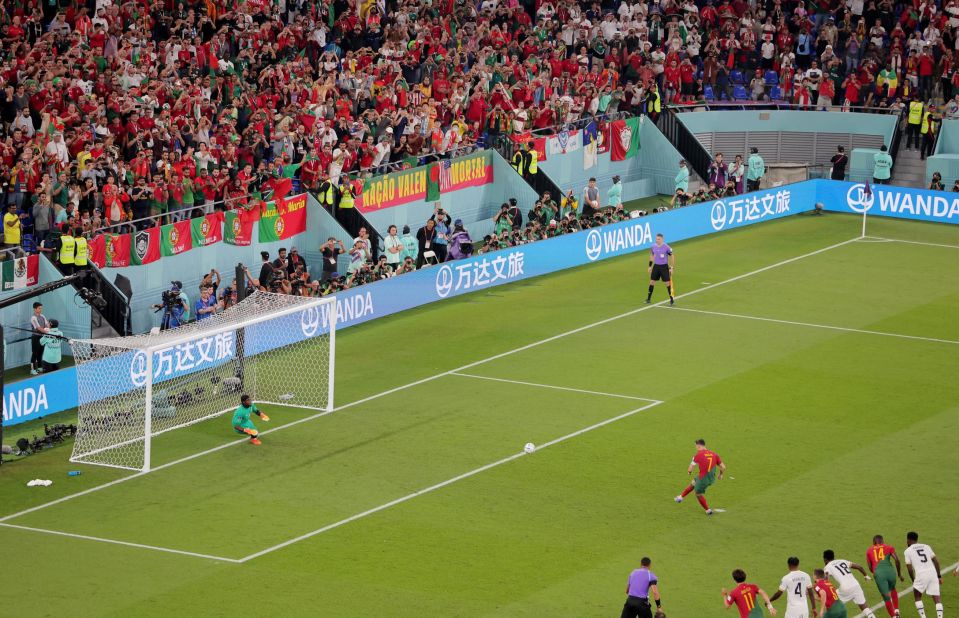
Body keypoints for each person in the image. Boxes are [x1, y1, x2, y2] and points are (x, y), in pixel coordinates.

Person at [675, 438, 724, 515]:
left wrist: (689, 472)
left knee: (698, 494)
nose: (696, 448)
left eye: (695, 446)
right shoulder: (715, 454)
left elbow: (690, 468)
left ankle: (708, 510)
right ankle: (680, 497)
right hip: (711, 477)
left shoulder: (698, 455)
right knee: (693, 483)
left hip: (703, 479)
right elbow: (723, 467)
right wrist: (721, 474)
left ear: (698, 446)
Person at [822, 550, 878, 618]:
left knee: (831, 604)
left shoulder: (827, 567)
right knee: (864, 607)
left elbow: (826, 578)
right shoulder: (842, 561)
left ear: (825, 559)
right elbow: (859, 567)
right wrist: (865, 575)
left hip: (845, 588)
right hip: (856, 585)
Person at [904, 531, 944, 618]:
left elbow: (909, 568)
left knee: (917, 596)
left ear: (908, 540)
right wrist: (939, 576)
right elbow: (936, 561)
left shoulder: (908, 551)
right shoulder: (926, 546)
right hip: (932, 573)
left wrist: (913, 580)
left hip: (921, 574)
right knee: (937, 597)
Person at [865, 535, 903, 618]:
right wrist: (899, 574)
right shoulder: (889, 547)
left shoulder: (869, 550)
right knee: (892, 588)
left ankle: (893, 616)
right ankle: (897, 610)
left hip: (879, 574)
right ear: (882, 541)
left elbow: (870, 567)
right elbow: (897, 560)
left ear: (874, 542)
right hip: (890, 572)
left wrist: (875, 572)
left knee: (886, 596)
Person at [645, 233, 675, 306]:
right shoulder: (653, 246)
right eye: (656, 239)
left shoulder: (666, 247)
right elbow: (652, 255)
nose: (657, 240)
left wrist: (671, 267)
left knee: (667, 283)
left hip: (664, 267)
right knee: (651, 282)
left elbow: (672, 256)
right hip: (656, 266)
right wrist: (650, 266)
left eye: (658, 239)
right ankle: (648, 299)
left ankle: (671, 299)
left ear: (662, 239)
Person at [29, 302, 49, 376]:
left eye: (41, 308)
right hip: (35, 337)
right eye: (39, 308)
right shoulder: (33, 318)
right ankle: (32, 369)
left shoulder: (43, 316)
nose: (41, 309)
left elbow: (47, 324)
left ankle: (39, 367)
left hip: (42, 337)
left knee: (40, 352)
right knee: (35, 353)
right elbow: (38, 328)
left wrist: (49, 329)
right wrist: (48, 332)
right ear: (35, 309)